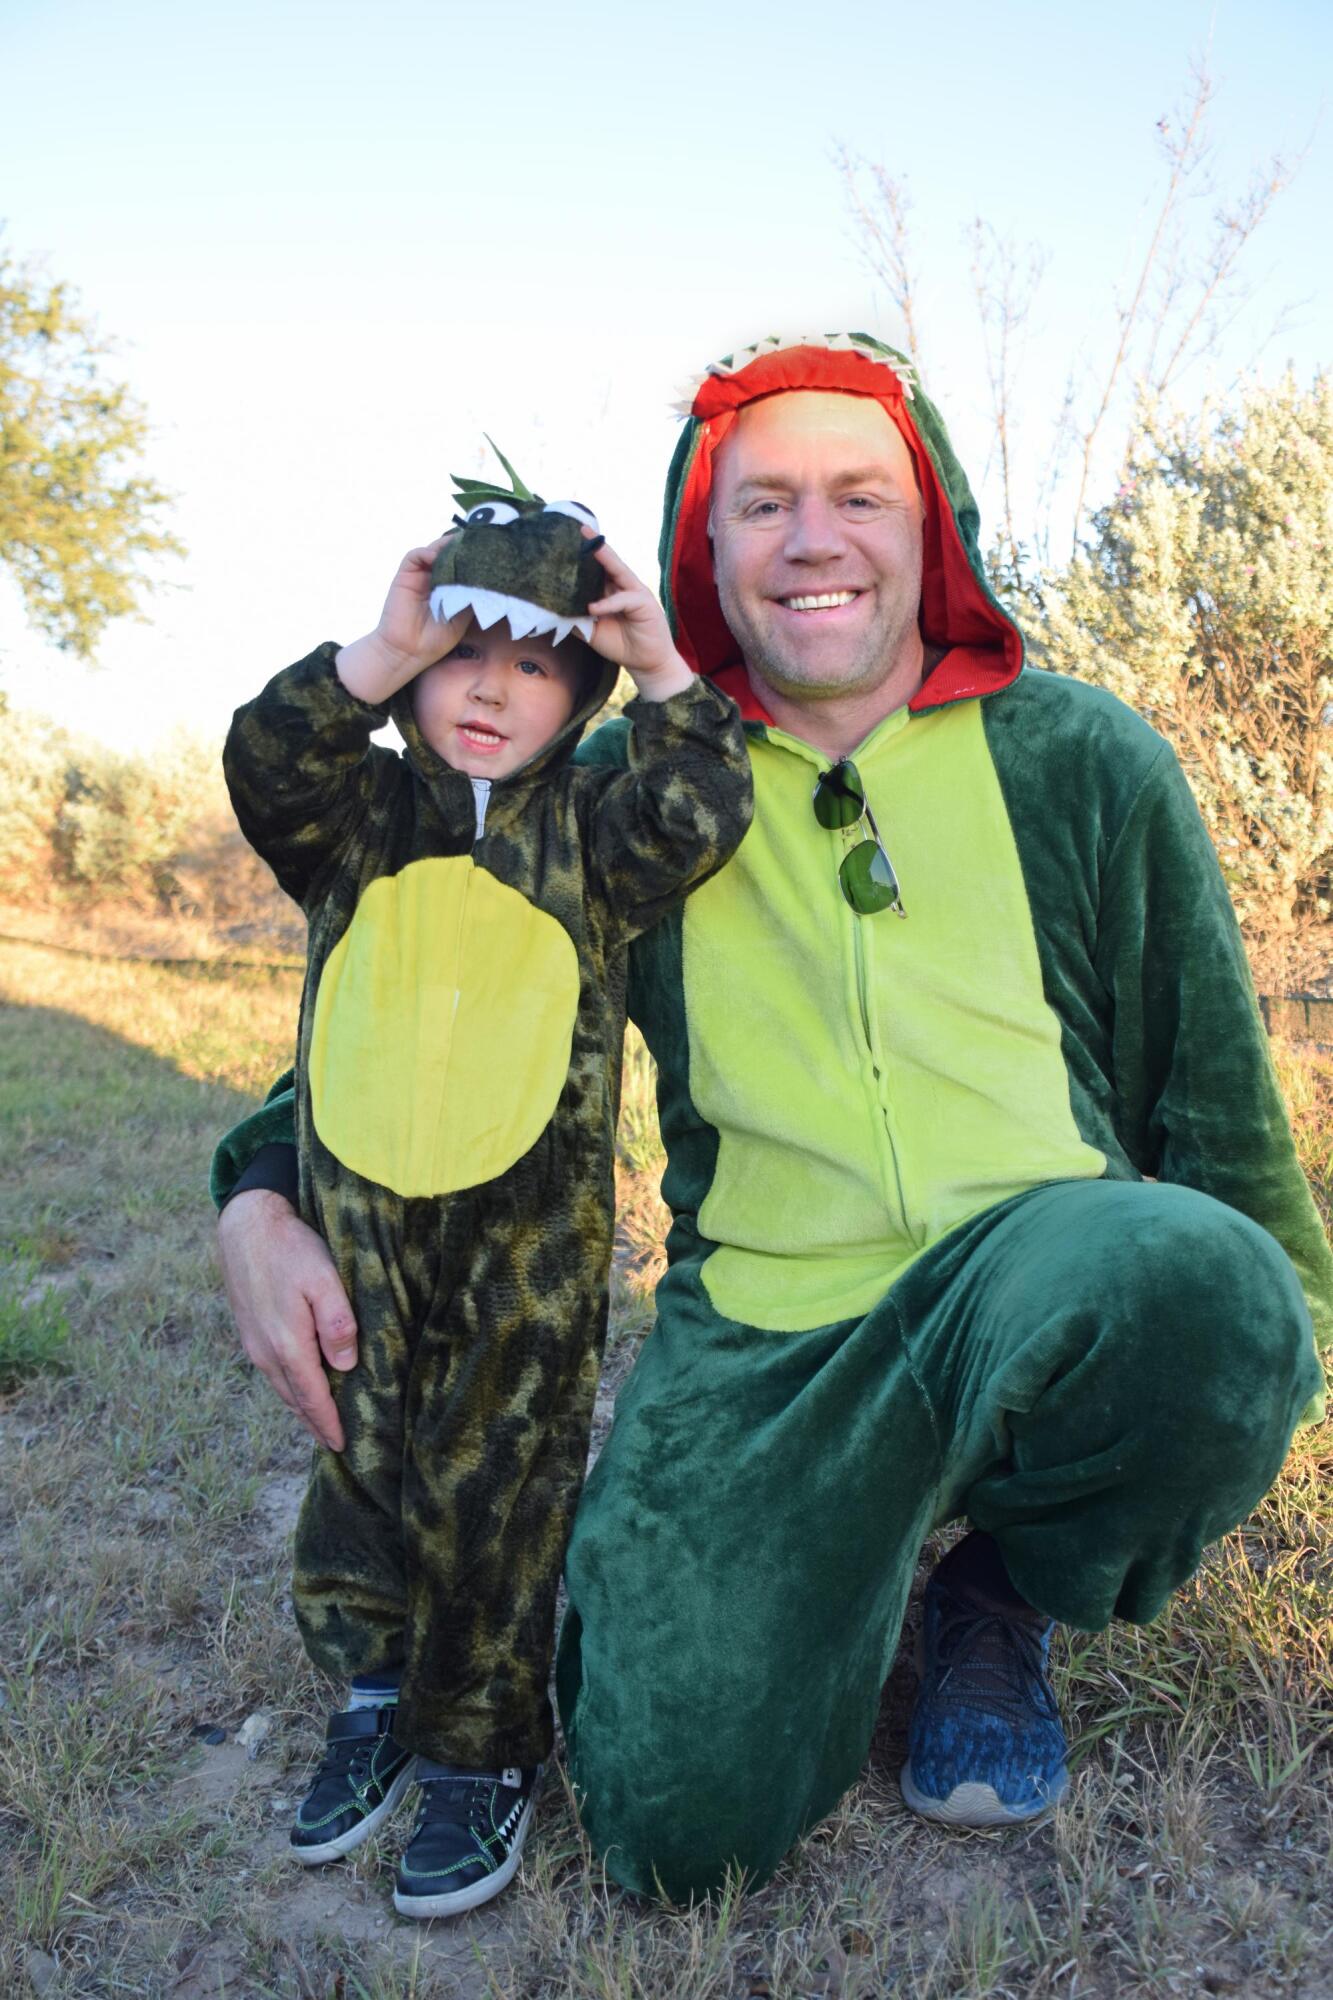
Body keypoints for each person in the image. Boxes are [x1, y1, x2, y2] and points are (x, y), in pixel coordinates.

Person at [215, 336, 1329, 1906]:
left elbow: (1207, 1077)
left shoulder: (1080, 757)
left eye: (857, 496)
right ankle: (818, 1568)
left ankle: (1001, 1593)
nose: (813, 539)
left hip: (1038, 1268)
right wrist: (260, 1192)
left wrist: (1268, 1335)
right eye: (763, 505)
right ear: (700, 549)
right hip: (763, 1331)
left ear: (928, 524)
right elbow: (414, 1002)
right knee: (673, 1823)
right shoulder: (627, 792)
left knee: (1203, 1289)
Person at [219, 474, 752, 1920]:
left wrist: (661, 665)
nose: (491, 688)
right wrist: (379, 650)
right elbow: (268, 759)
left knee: (497, 1487)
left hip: (526, 1244)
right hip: (358, 1224)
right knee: (359, 1456)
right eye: (463, 652)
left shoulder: (591, 834)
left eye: (536, 665)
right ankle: (375, 1695)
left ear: (580, 698)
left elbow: (704, 806)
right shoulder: (359, 817)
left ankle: (481, 1744)